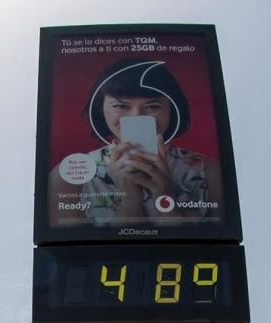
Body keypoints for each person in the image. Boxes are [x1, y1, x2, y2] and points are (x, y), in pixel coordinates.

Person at [49, 59, 223, 227]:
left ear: (172, 110)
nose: (136, 116)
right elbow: (74, 256)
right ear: (100, 110)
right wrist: (129, 199)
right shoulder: (69, 177)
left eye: (153, 106)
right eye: (120, 106)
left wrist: (165, 195)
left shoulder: (210, 172)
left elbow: (209, 250)